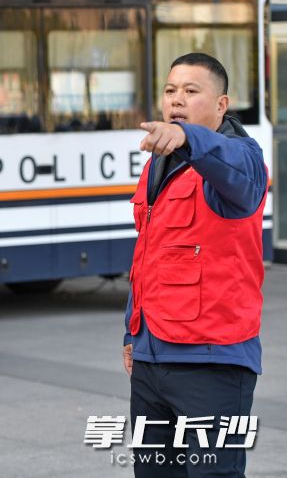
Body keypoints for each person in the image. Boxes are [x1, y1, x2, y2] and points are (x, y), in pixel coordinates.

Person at [123, 53, 268, 477]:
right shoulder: (157, 164)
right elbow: (149, 255)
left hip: (213, 364)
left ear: (222, 105)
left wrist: (189, 140)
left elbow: (232, 163)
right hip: (152, 361)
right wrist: (133, 330)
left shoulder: (241, 159)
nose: (177, 100)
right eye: (170, 91)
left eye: (191, 91)